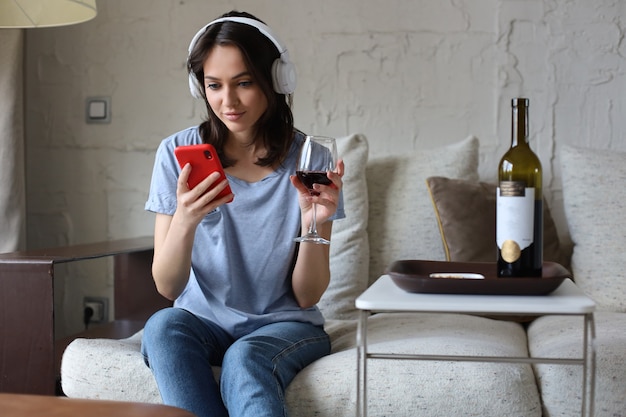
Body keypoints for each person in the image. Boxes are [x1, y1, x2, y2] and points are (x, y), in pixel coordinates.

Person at [140, 10, 345, 417]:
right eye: (214, 85)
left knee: (246, 357)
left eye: (244, 83)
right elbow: (167, 286)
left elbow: (307, 295)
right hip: (204, 323)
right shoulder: (175, 156)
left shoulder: (311, 159)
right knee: (163, 326)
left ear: (277, 80)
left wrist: (315, 220)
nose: (227, 102)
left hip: (285, 327)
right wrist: (185, 217)